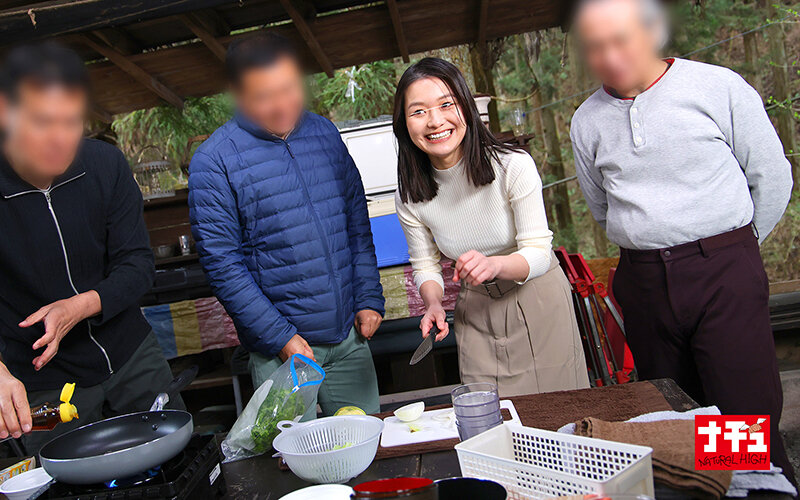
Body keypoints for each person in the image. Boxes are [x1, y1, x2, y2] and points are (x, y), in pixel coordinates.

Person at [569, 0, 794, 483]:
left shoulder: (717, 86)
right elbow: (602, 206)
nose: (610, 57)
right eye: (596, 47)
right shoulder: (586, 120)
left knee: (741, 420)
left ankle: (760, 490)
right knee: (676, 418)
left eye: (620, 40)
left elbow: (771, 178)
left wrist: (734, 250)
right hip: (644, 281)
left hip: (723, 271)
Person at [188, 33, 385, 416]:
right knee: (295, 454)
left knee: (367, 443)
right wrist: (281, 338)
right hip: (281, 353)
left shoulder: (324, 133)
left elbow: (356, 225)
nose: (282, 106)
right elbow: (223, 266)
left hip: (349, 340)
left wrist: (367, 297)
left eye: (289, 89)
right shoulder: (213, 161)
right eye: (264, 96)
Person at [0, 42, 182, 454]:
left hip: (131, 355)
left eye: (72, 121)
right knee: (64, 477)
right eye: (43, 122)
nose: (61, 139)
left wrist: (77, 307)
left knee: (174, 459)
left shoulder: (105, 165)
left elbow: (137, 265)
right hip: (43, 379)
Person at [393, 58, 589, 397]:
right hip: (476, 310)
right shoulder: (409, 193)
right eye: (419, 111)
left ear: (466, 108)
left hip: (538, 299)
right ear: (404, 124)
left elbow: (539, 252)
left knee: (559, 410)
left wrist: (494, 264)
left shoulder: (513, 165)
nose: (435, 121)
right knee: (486, 414)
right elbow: (425, 265)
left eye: (446, 104)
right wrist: (434, 303)